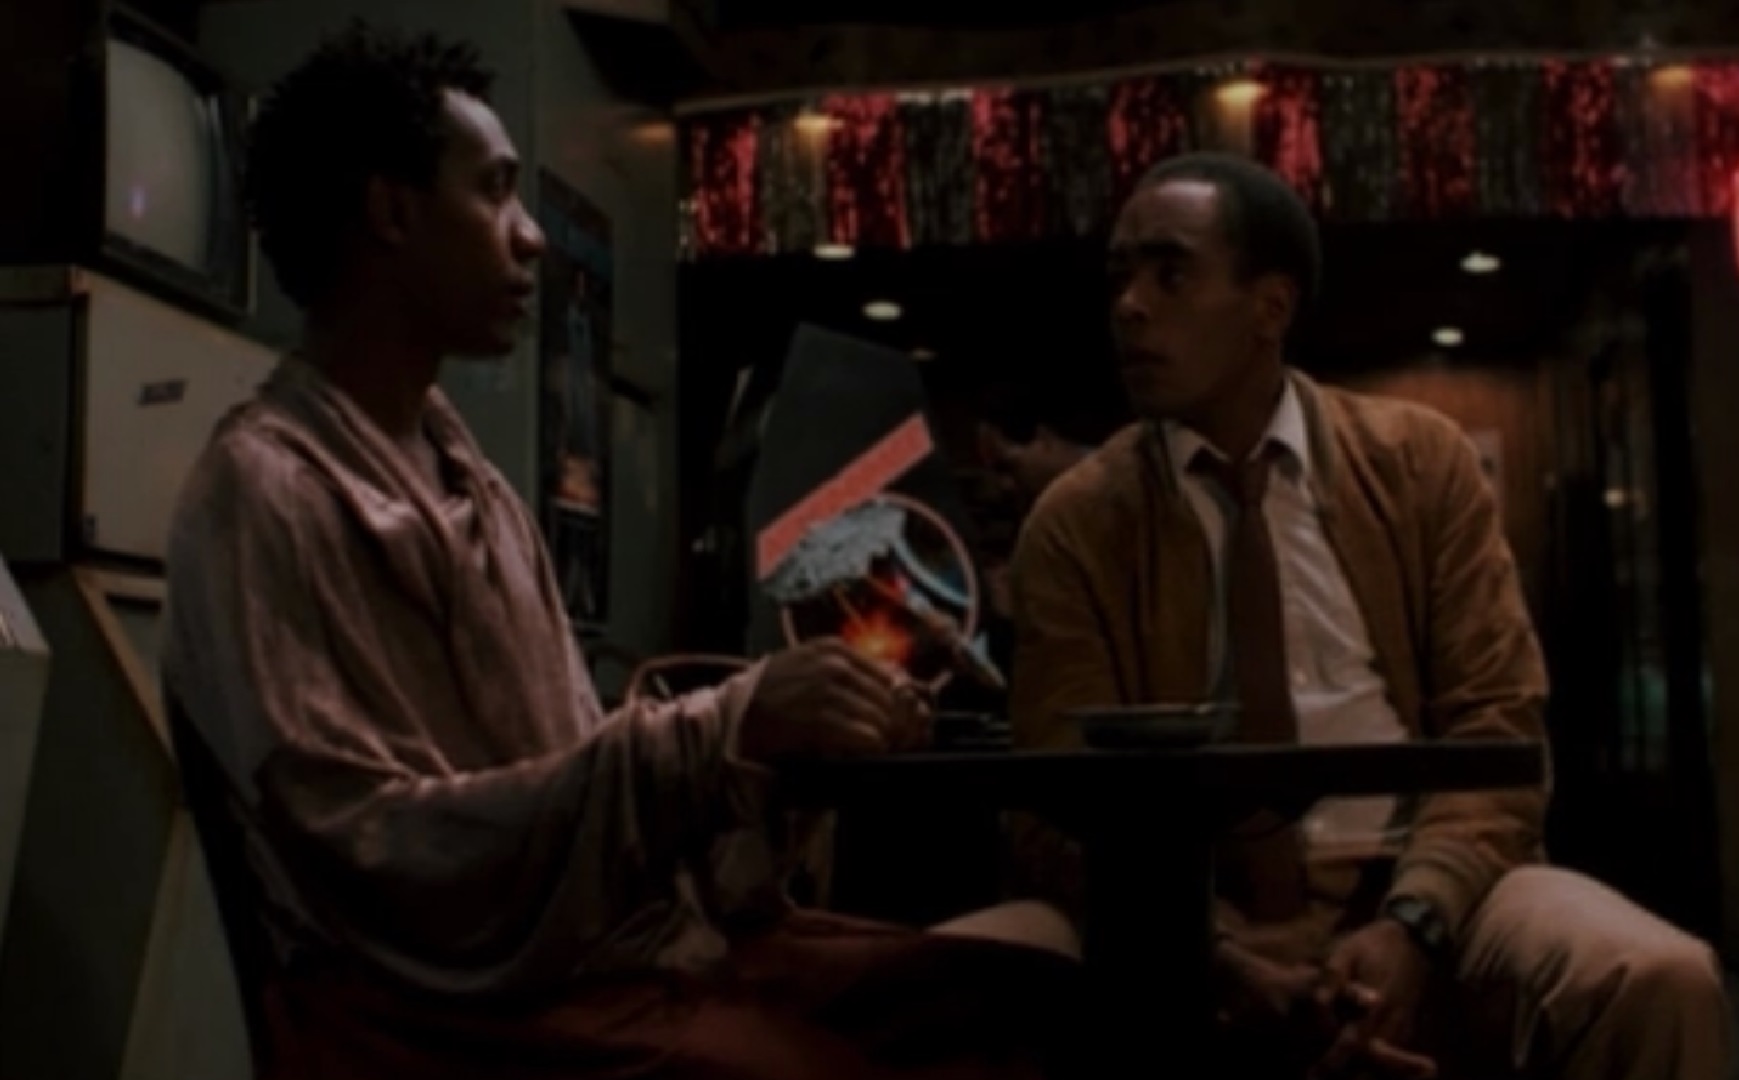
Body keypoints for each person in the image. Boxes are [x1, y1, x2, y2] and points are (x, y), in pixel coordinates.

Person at [162, 23, 1083, 1080]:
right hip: (454, 1020)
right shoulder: (266, 490)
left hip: (607, 956)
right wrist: (721, 730)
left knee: (1028, 987)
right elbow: (372, 849)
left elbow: (574, 777)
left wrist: (779, 748)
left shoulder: (477, 486)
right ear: (392, 211)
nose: (530, 237)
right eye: (495, 193)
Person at [1007, 153, 1732, 1078]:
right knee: (969, 970)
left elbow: (1498, 729)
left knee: (1657, 977)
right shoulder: (1078, 520)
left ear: (1270, 307)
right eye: (1120, 276)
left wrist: (1414, 925)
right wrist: (1215, 955)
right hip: (1186, 907)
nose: (1130, 306)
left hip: (1425, 883)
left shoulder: (1418, 463)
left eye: (1170, 273)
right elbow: (1055, 805)